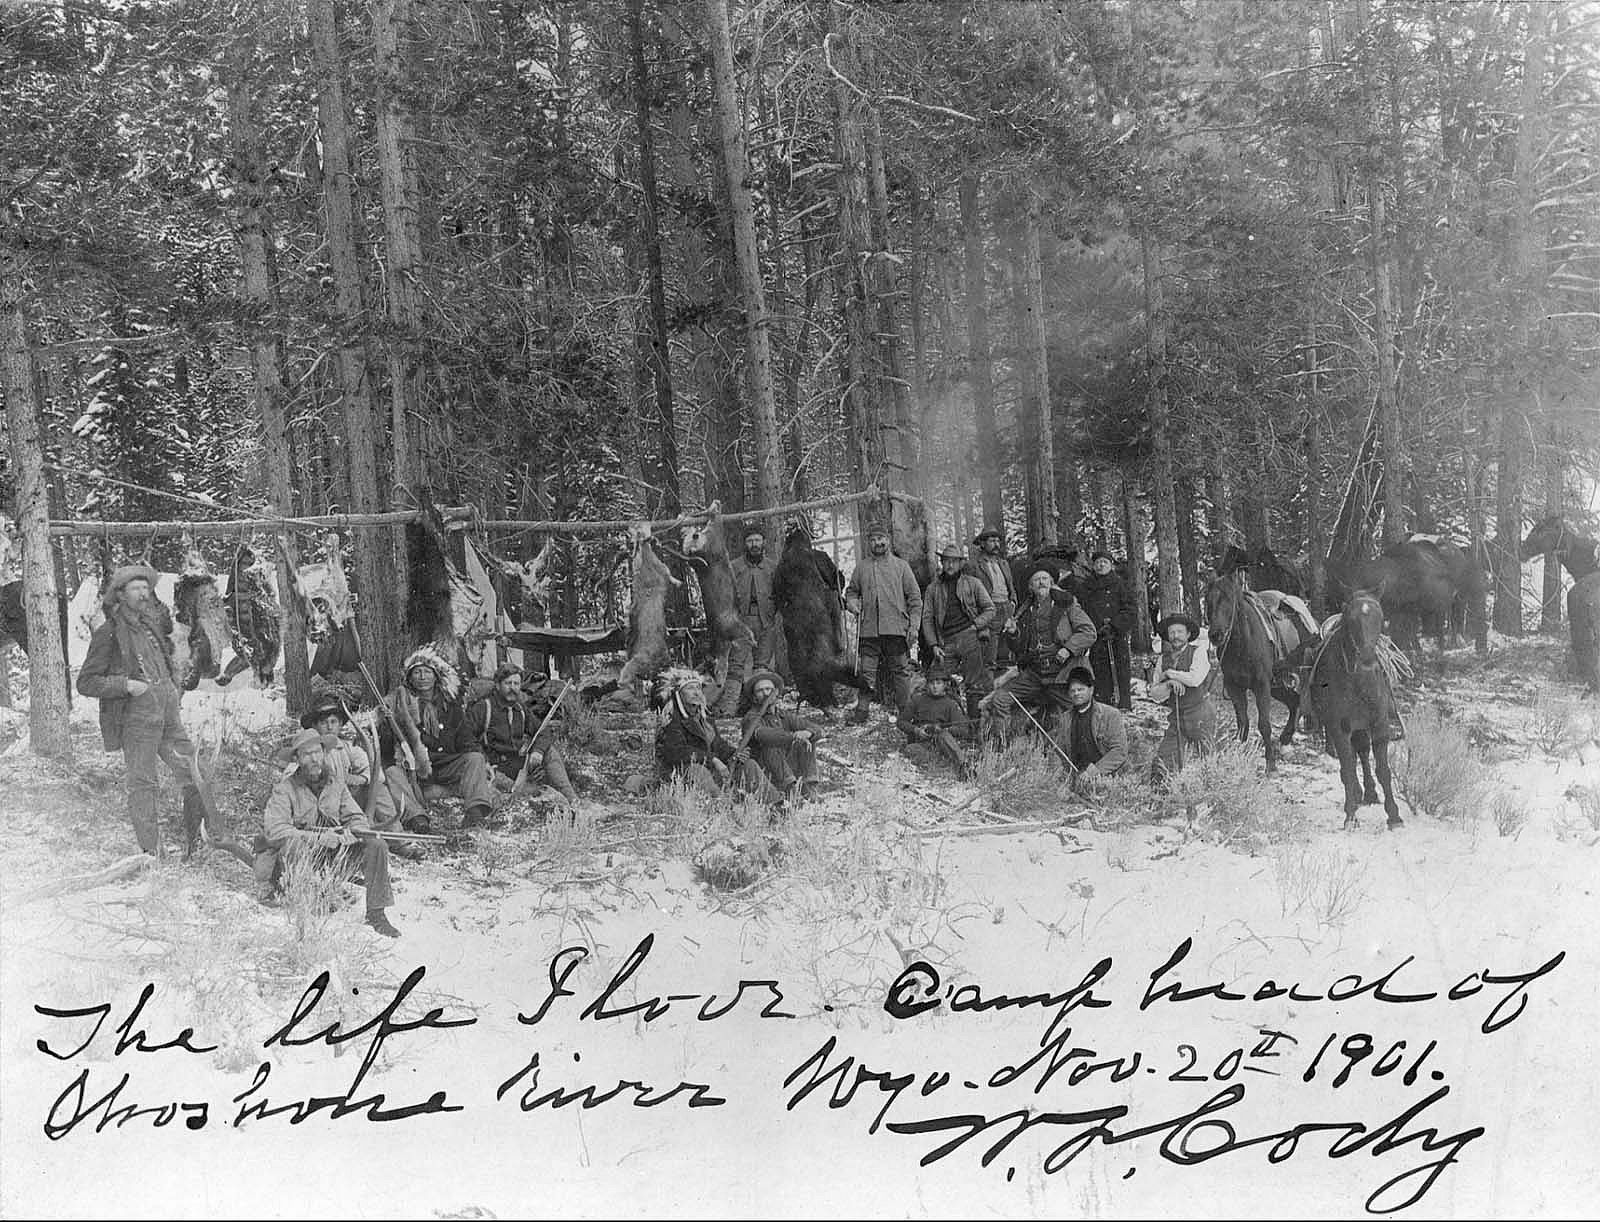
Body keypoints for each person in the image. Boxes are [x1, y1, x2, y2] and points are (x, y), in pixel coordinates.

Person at [76, 564, 208, 857]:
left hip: (168, 718)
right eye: (136, 588)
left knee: (194, 773)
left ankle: (194, 844)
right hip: (137, 722)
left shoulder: (150, 627)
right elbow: (85, 682)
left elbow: (165, 662)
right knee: (143, 785)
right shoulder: (108, 633)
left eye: (146, 587)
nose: (143, 593)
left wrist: (172, 688)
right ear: (120, 594)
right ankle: (152, 854)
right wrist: (125, 684)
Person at [255, 728, 400, 937]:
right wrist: (319, 838)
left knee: (376, 843)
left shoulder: (336, 784)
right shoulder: (284, 790)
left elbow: (355, 816)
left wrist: (355, 830)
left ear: (324, 753)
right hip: (295, 863)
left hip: (330, 861)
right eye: (306, 754)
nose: (313, 759)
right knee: (294, 844)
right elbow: (277, 831)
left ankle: (376, 914)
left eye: (317, 752)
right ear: (297, 759)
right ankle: (305, 904)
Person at [383, 644, 499, 829]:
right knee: (391, 773)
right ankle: (417, 819)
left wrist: (483, 762)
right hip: (415, 769)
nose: (422, 677)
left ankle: (475, 813)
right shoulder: (400, 707)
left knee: (475, 758)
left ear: (436, 676)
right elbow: (389, 744)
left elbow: (467, 740)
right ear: (409, 678)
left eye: (427, 672)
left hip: (446, 765)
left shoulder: (451, 707)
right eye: (417, 672)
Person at [985, 568, 1097, 735]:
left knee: (1083, 709)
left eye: (1045, 578)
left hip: (1063, 674)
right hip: (1035, 675)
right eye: (1037, 580)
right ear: (1031, 587)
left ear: (1051, 583)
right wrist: (1013, 633)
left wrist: (1068, 649)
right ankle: (1002, 746)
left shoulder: (1066, 604)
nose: (1042, 582)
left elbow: (1089, 632)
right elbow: (1018, 649)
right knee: (1000, 699)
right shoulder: (1025, 611)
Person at [653, 667, 779, 802]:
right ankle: (720, 804)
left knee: (748, 764)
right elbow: (677, 752)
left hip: (708, 768)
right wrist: (713, 760)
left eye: (698, 688)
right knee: (698, 770)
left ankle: (776, 803)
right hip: (679, 773)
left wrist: (735, 753)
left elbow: (718, 745)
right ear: (679, 693)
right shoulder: (671, 719)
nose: (696, 692)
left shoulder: (705, 719)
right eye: (690, 689)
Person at [461, 663, 580, 804]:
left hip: (517, 764)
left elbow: (543, 731)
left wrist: (538, 752)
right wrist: (484, 762)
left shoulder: (520, 709)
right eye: (508, 683)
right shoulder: (483, 708)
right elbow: (466, 738)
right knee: (523, 794)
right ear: (498, 686)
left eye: (516, 683)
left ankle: (572, 798)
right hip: (493, 767)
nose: (512, 688)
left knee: (550, 751)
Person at [845, 519, 922, 724]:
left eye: (881, 538)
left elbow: (915, 599)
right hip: (869, 629)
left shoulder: (901, 567)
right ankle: (861, 713)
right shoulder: (862, 568)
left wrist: (914, 627)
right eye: (873, 539)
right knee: (866, 672)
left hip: (896, 628)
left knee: (900, 671)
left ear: (888, 540)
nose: (877, 543)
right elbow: (851, 591)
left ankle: (906, 713)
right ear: (869, 543)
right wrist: (852, 603)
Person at [297, 693, 404, 831]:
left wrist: (360, 779)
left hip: (348, 803)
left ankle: (400, 841)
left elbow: (379, 775)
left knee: (377, 788)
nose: (329, 727)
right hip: (322, 805)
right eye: (324, 723)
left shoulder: (348, 748)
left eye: (333, 722)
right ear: (314, 726)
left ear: (340, 724)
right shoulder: (307, 750)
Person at [921, 543, 996, 725]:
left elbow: (990, 608)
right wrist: (934, 645)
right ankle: (945, 722)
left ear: (961, 563)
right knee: (936, 679)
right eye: (946, 561)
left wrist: (975, 626)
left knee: (974, 684)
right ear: (942, 563)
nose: (950, 566)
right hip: (945, 641)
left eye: (954, 561)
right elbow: (927, 618)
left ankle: (973, 725)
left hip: (969, 636)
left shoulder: (973, 583)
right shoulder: (933, 589)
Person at [738, 670, 825, 801]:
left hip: (787, 764)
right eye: (760, 691)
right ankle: (791, 791)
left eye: (769, 689)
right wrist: (793, 736)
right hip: (766, 770)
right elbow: (764, 735)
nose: (766, 693)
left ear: (776, 692)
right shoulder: (751, 718)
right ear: (754, 697)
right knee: (771, 745)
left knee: (807, 740)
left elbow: (817, 729)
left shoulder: (783, 715)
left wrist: (807, 733)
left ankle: (808, 788)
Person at [1150, 612, 1217, 781]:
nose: (1176, 636)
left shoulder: (1198, 652)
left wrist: (1170, 674)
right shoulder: (1162, 660)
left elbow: (1194, 680)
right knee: (1162, 763)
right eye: (1172, 633)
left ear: (1188, 635)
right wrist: (1168, 684)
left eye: (1180, 632)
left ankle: (1210, 794)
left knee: (1208, 762)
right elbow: (1155, 693)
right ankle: (1165, 796)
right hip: (1177, 718)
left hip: (1200, 714)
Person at [1078, 550, 1136, 711]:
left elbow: (1130, 609)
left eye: (1105, 562)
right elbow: (1082, 610)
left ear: (1111, 565)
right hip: (1097, 635)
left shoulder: (1120, 584)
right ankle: (1104, 703)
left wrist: (1115, 626)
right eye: (1097, 562)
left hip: (1117, 635)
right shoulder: (1087, 586)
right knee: (1100, 669)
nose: (1101, 565)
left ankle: (1124, 703)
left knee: (1121, 668)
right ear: (1093, 566)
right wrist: (1094, 628)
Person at [1058, 667, 1130, 794]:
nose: (1076, 694)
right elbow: (1059, 752)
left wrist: (1095, 770)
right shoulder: (1065, 719)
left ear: (1091, 690)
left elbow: (1119, 751)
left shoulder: (1110, 714)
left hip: (1106, 775)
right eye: (1072, 691)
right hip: (1077, 777)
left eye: (1081, 689)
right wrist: (1063, 780)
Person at [896, 663, 974, 775]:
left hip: (941, 743)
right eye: (932, 683)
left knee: (943, 736)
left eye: (939, 683)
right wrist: (916, 730)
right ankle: (938, 763)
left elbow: (963, 729)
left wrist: (946, 730)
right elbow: (901, 722)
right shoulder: (917, 700)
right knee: (910, 749)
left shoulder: (950, 704)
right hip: (921, 742)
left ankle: (964, 767)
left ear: (945, 685)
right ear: (927, 684)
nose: (935, 686)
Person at [728, 526, 780, 693]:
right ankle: (729, 705)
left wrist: (773, 611)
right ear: (745, 544)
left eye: (757, 540)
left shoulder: (773, 567)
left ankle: (763, 702)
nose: (754, 544)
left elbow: (781, 593)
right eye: (750, 541)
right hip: (741, 622)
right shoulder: (734, 567)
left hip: (766, 620)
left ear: (763, 542)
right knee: (736, 663)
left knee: (763, 664)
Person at [970, 528, 1017, 669]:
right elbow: (970, 593)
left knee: (1010, 646)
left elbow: (1010, 585)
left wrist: (1013, 601)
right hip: (989, 609)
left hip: (1007, 608)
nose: (996, 544)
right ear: (982, 543)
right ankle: (989, 683)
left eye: (998, 541)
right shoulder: (974, 565)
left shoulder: (1003, 563)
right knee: (990, 653)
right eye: (992, 541)